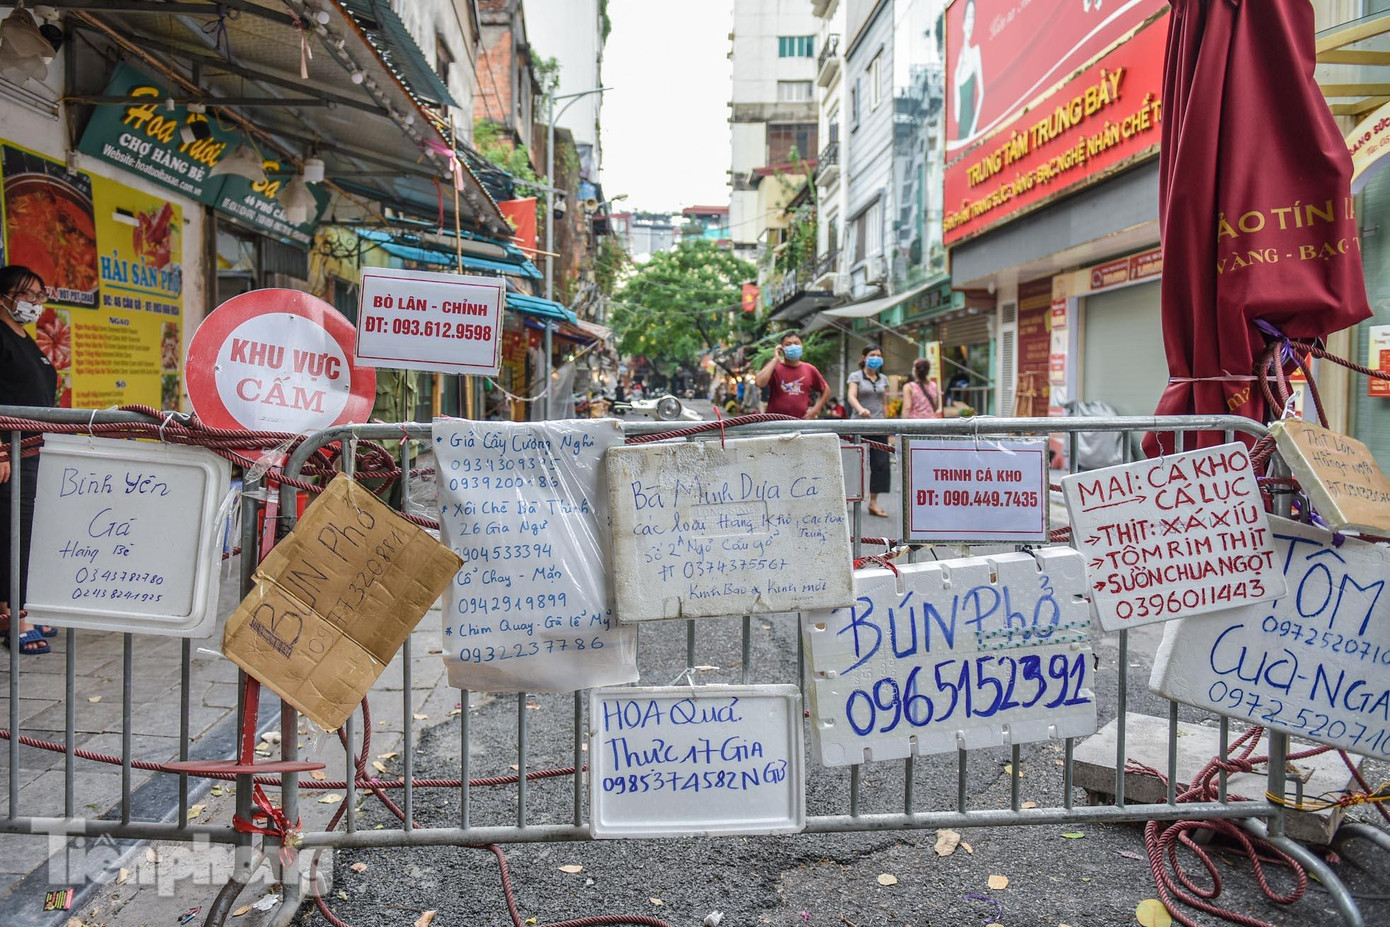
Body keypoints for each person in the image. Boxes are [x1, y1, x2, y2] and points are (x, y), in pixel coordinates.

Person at [0, 265, 57, 655]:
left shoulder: (26, 340)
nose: (35, 303)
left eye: (39, 296)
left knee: (28, 533)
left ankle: (20, 608)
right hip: (11, 453)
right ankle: (13, 618)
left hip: (34, 451)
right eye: (27, 295)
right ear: (5, 296)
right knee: (11, 534)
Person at [847, 345, 891, 517]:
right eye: (872, 355)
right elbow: (851, 396)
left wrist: (888, 424)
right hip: (859, 425)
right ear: (864, 357)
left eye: (879, 355)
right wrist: (860, 410)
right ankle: (848, 499)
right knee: (855, 464)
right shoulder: (855, 376)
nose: (876, 358)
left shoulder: (884, 379)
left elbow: (884, 403)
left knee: (880, 465)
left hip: (879, 426)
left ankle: (873, 503)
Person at [755, 331, 829, 420]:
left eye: (796, 343)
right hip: (775, 422)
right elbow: (759, 383)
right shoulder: (775, 367)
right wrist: (776, 359)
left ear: (802, 346)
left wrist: (815, 410)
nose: (793, 347)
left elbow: (826, 390)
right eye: (788, 344)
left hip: (800, 421)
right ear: (782, 348)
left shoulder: (809, 369)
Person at [953, 0, 984, 141]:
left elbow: (982, 93)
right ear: (963, 23)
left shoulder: (976, 52)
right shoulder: (957, 67)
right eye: (969, 16)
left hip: (972, 134)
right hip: (961, 135)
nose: (971, 21)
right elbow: (956, 115)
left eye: (973, 16)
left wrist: (973, 131)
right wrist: (956, 75)